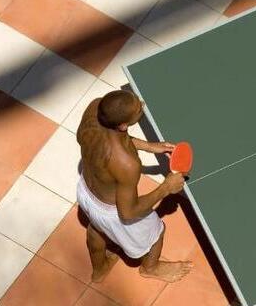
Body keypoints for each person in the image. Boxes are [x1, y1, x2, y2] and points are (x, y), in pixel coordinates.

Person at [76, 90, 192, 282]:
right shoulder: (127, 165)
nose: (142, 105)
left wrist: (149, 146)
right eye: (138, 109)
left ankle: (99, 271)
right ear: (123, 125)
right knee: (157, 232)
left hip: (86, 193)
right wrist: (166, 187)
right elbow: (128, 213)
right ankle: (150, 268)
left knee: (96, 228)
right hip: (113, 213)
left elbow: (111, 139)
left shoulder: (94, 110)